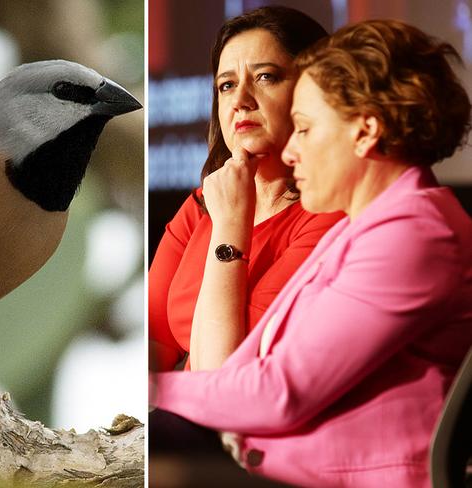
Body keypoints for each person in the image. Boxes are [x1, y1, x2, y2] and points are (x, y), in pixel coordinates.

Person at [151, 18, 472, 487]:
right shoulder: (374, 227)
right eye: (225, 85)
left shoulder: (414, 235)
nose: (292, 151)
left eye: (304, 129)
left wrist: (154, 392)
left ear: (364, 132)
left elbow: (279, 391)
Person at [149, 6, 343, 376]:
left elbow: (224, 376)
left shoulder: (330, 214)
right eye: (226, 85)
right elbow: (153, 339)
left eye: (266, 77)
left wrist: (230, 226)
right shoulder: (203, 203)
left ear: (315, 91)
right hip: (178, 418)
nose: (240, 100)